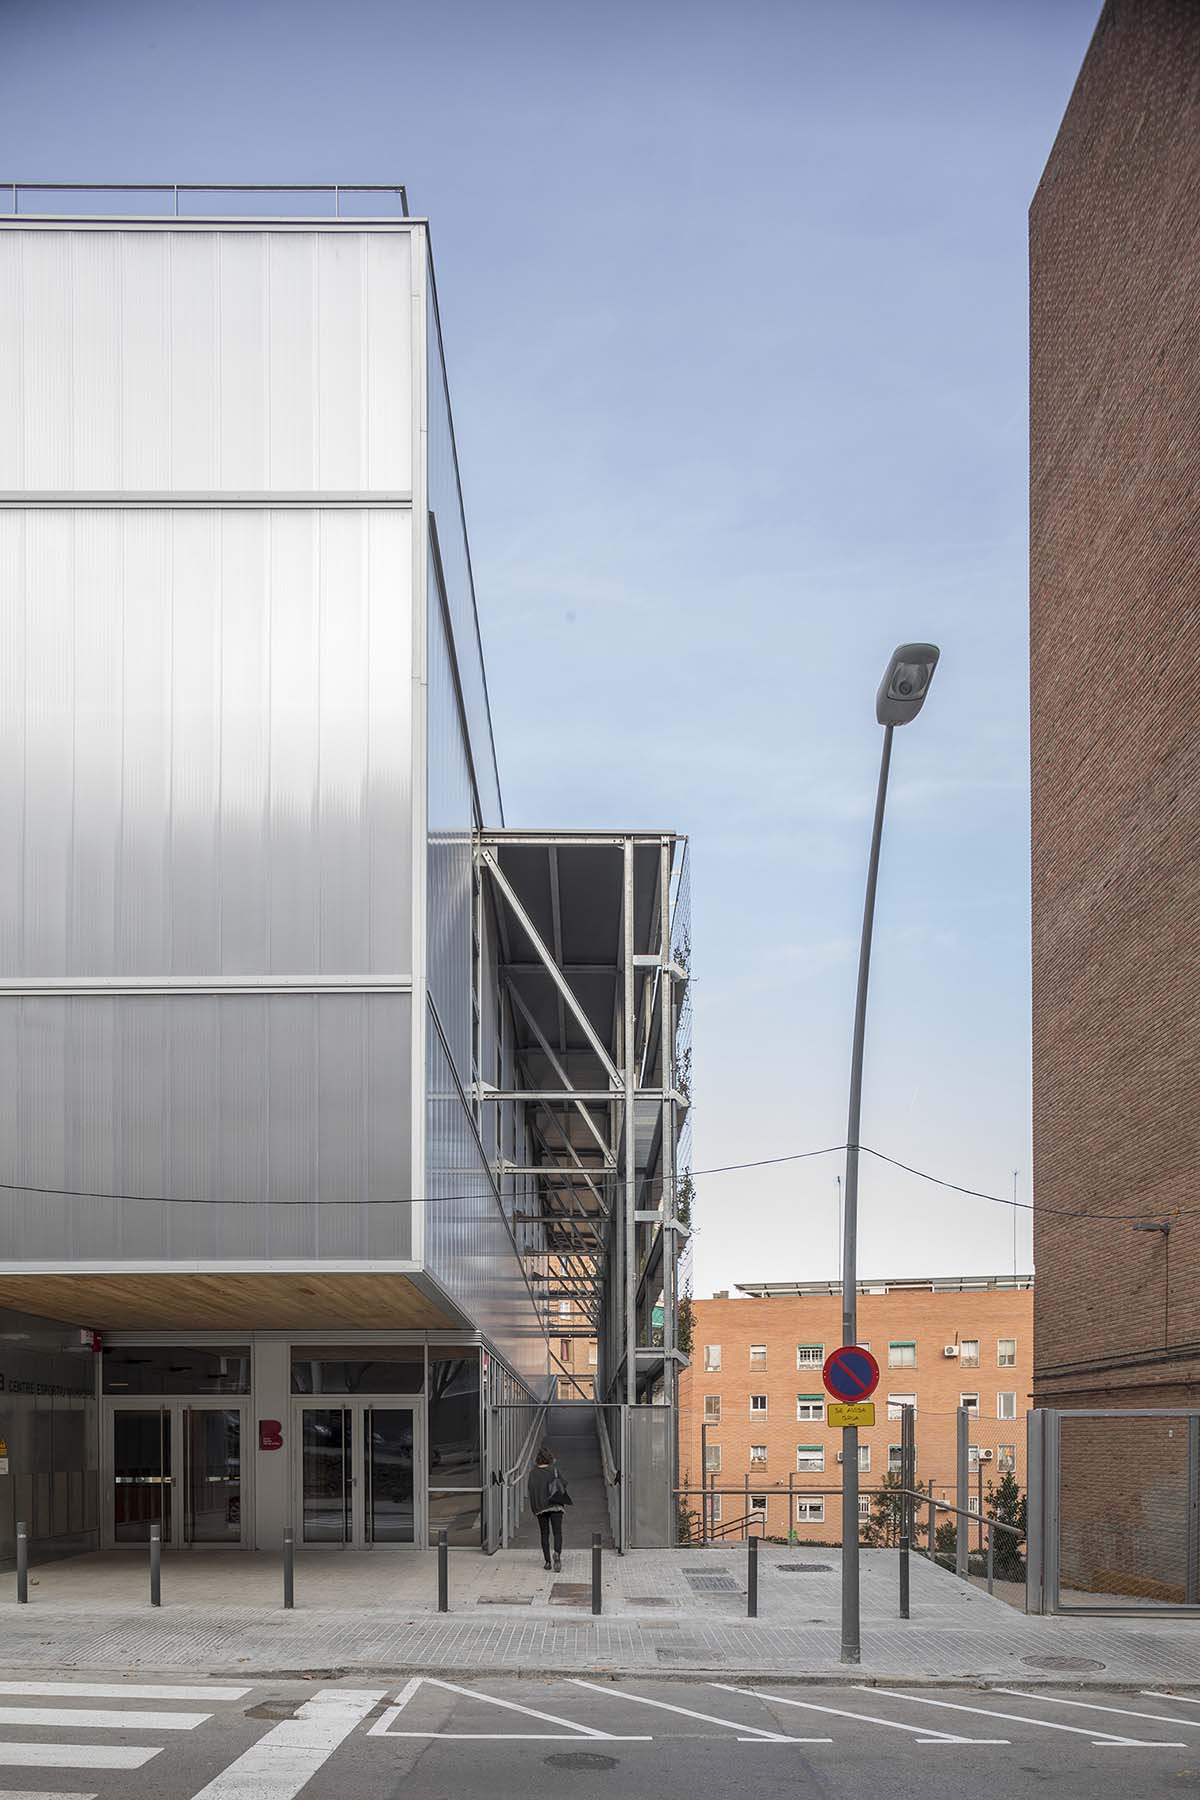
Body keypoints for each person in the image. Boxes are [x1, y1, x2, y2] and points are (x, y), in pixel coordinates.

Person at [528, 1444, 566, 1572]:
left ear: (537, 1459)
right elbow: (564, 1484)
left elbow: (531, 1491)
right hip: (555, 1505)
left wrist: (534, 1508)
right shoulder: (554, 1470)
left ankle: (548, 1562)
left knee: (544, 1534)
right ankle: (557, 1554)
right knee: (557, 1532)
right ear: (549, 1457)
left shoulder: (533, 1473)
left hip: (541, 1507)